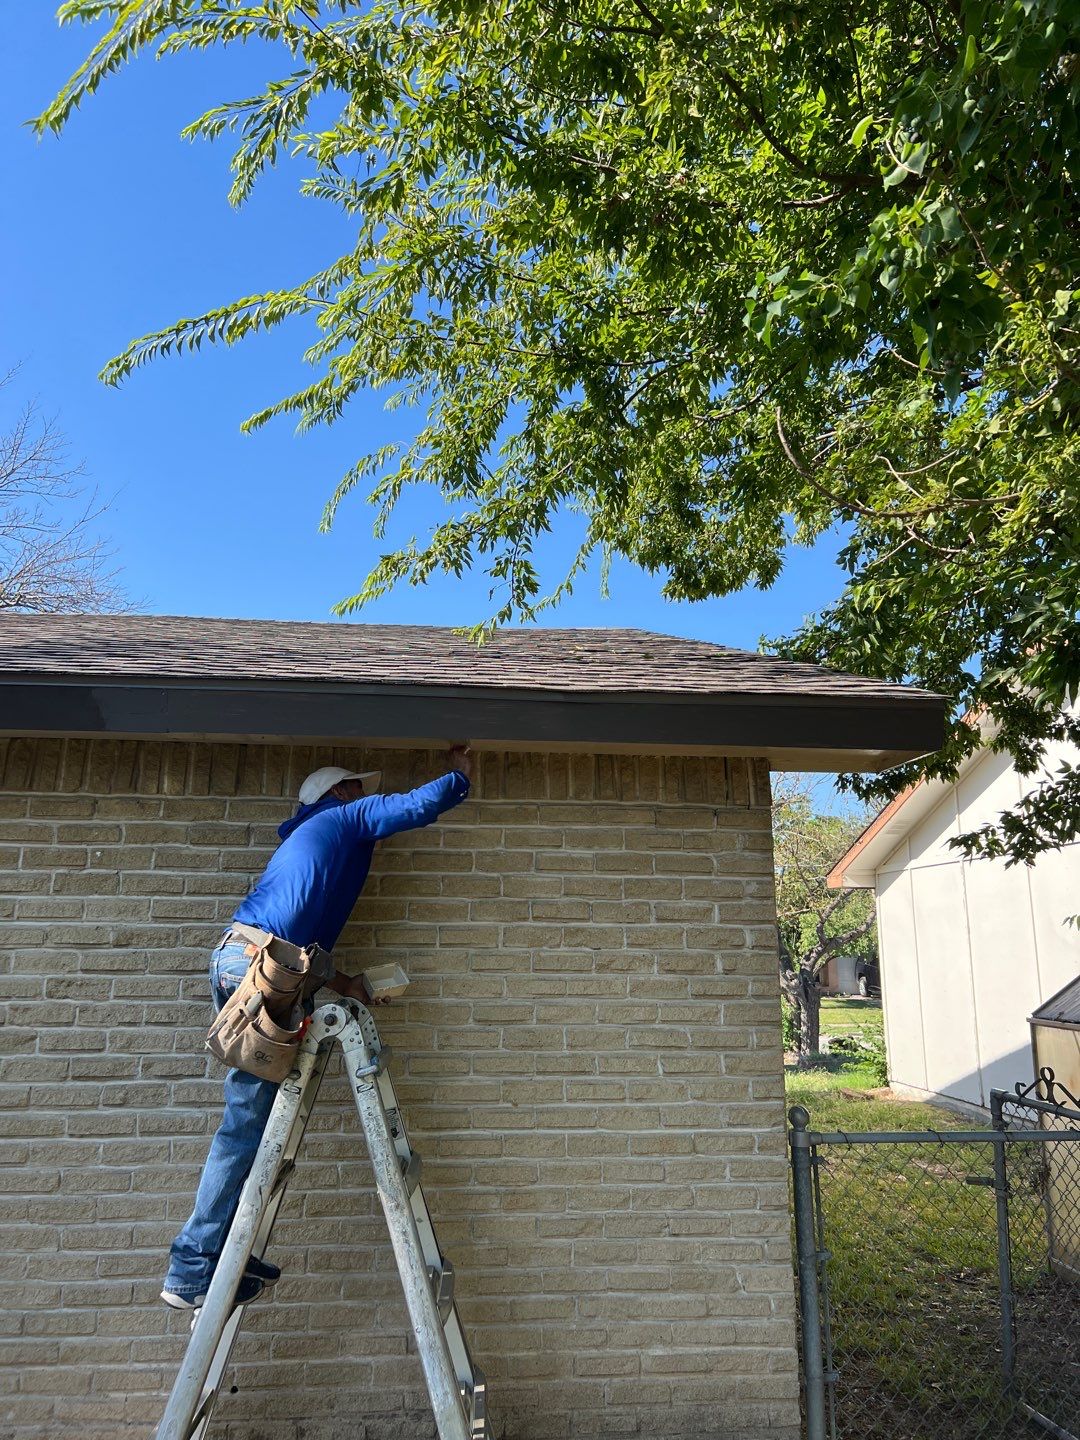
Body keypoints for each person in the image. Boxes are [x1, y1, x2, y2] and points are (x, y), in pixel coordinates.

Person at [161, 744, 473, 1310]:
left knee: (255, 1123)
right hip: (260, 969)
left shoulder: (313, 846)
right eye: (357, 788)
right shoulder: (340, 818)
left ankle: (225, 1257)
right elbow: (411, 807)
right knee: (243, 1124)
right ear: (336, 794)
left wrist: (348, 983)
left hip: (259, 964)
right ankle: (191, 1268)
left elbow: (301, 952)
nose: (365, 797)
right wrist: (458, 774)